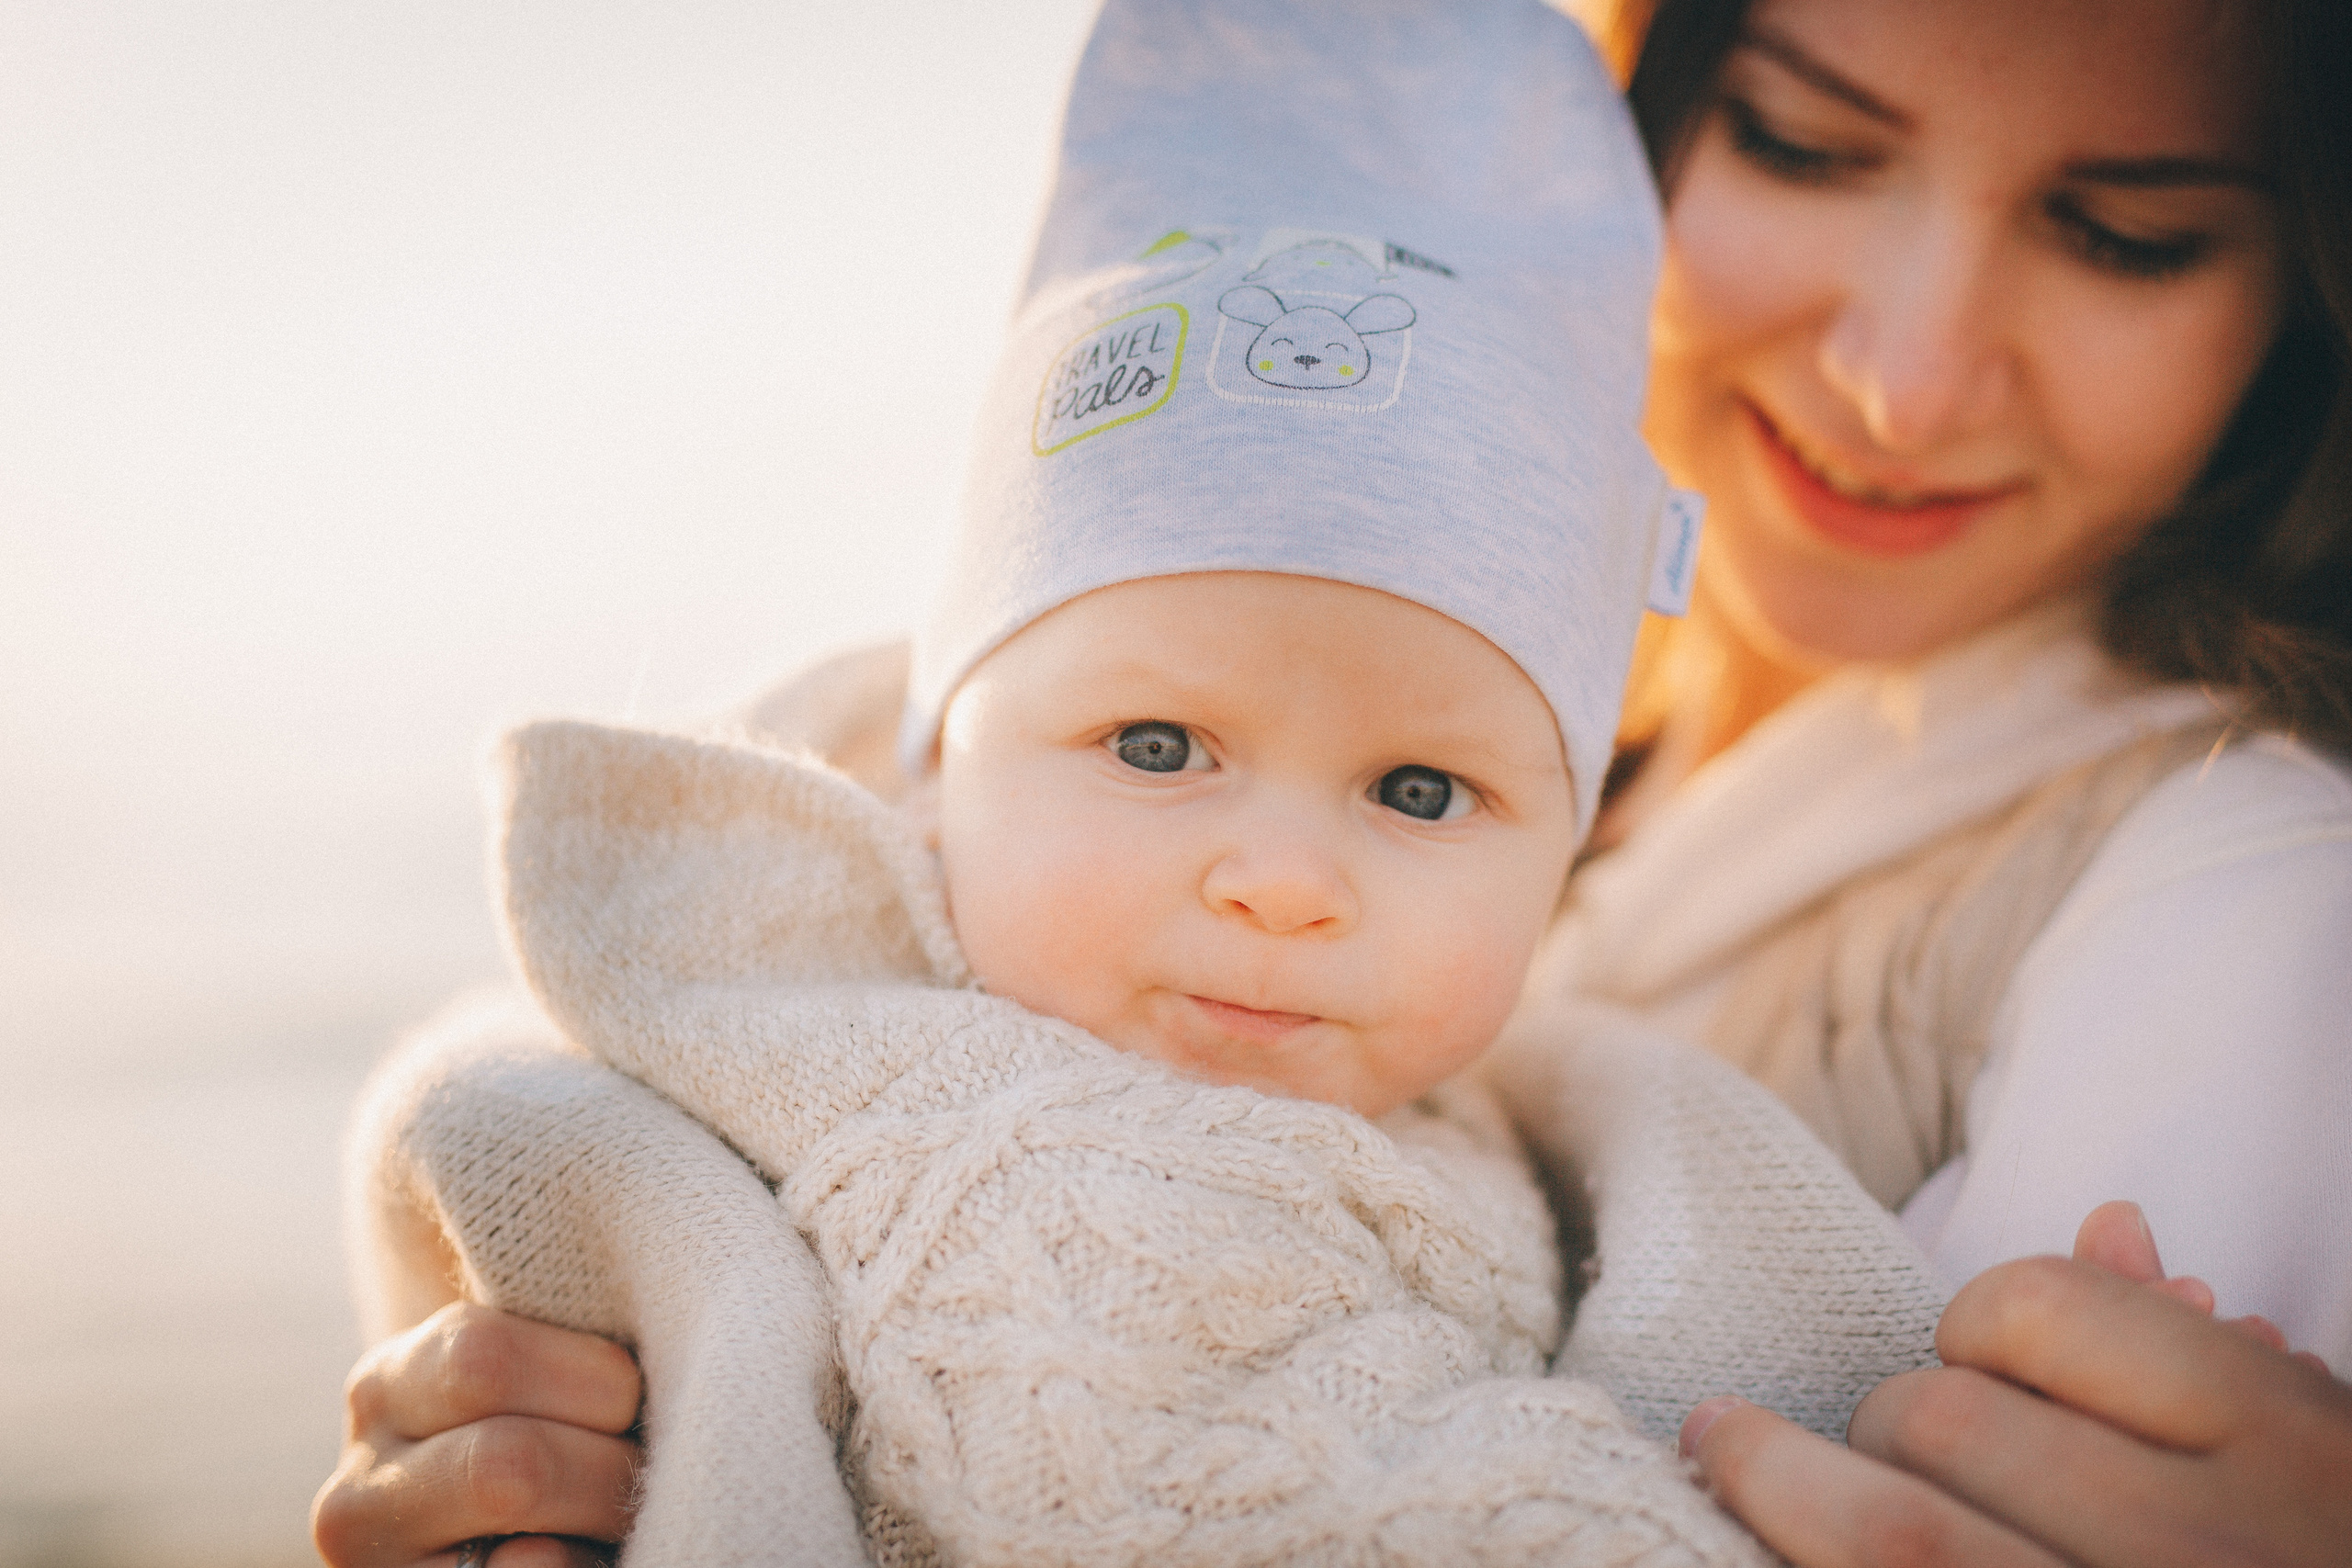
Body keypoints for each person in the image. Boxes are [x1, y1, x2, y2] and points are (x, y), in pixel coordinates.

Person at [315, 0, 2352, 1563]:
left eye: (2120, 232)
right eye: (1804, 144)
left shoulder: (2233, 909)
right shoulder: (1515, 699)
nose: (1904, 374)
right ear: (1629, 112)